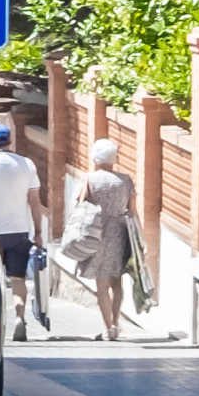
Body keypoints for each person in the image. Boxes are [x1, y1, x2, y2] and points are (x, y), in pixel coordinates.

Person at [0, 123, 47, 341]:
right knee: (17, 279)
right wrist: (38, 232)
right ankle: (19, 317)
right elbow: (34, 202)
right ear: (10, 141)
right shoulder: (26, 165)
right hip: (18, 232)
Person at [62, 136, 136, 341]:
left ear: (95, 158)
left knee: (101, 284)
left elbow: (79, 205)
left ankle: (107, 327)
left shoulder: (89, 179)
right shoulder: (126, 180)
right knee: (117, 282)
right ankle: (116, 323)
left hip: (96, 233)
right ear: (114, 158)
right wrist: (139, 238)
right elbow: (132, 211)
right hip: (119, 233)